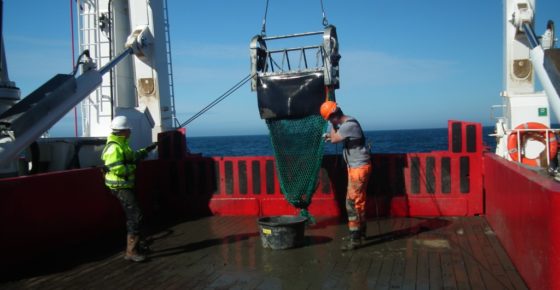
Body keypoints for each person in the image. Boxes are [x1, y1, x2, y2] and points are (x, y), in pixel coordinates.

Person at [101, 115, 157, 262]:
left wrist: (146, 150)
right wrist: (134, 166)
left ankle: (137, 247)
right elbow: (119, 169)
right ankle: (131, 251)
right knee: (136, 216)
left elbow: (131, 156)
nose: (130, 132)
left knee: (134, 216)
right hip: (121, 187)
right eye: (129, 130)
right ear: (123, 131)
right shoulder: (114, 147)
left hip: (125, 186)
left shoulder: (121, 144)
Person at [320, 101, 372, 251]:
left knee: (350, 203)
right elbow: (336, 137)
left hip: (358, 169)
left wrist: (331, 130)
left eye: (330, 119)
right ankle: (361, 233)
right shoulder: (347, 124)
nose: (330, 122)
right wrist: (331, 134)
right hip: (358, 167)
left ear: (334, 116)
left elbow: (335, 138)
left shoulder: (348, 125)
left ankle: (354, 239)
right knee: (359, 201)